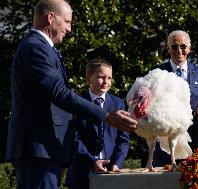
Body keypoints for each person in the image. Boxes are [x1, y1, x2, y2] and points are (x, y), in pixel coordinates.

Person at [5, 0, 136, 188]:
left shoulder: (42, 47)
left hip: (44, 148)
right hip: (39, 147)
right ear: (50, 18)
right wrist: (105, 116)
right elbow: (59, 93)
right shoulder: (36, 47)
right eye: (67, 21)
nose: (69, 28)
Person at [140, 30, 198, 167]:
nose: (179, 50)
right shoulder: (157, 73)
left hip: (194, 141)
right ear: (168, 49)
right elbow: (146, 105)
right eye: (174, 46)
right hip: (164, 145)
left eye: (183, 46)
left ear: (189, 48)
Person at [65, 59, 130, 188]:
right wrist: (92, 161)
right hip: (82, 172)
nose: (106, 82)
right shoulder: (77, 103)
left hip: (111, 172)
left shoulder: (118, 103)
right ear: (88, 79)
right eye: (101, 77)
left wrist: (116, 163)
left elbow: (123, 139)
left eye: (109, 78)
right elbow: (75, 138)